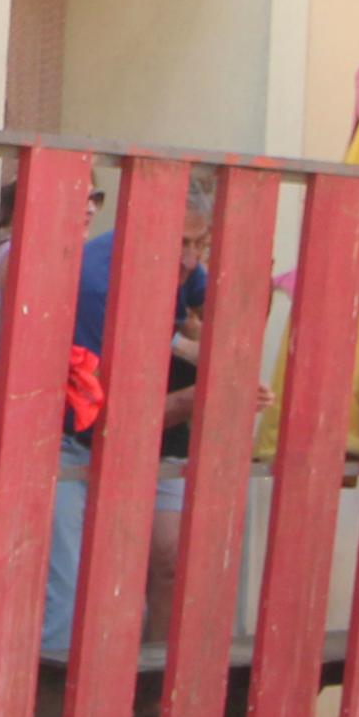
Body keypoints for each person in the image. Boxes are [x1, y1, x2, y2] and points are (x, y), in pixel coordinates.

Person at [32, 173, 216, 666]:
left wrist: (209, 337)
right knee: (68, 598)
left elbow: (213, 305)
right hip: (76, 445)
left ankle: (150, 705)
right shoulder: (96, 282)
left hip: (154, 442)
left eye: (201, 244)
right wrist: (198, 394)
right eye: (181, 243)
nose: (190, 260)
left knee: (169, 566)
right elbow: (102, 413)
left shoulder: (182, 266)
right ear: (142, 230)